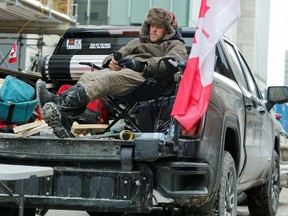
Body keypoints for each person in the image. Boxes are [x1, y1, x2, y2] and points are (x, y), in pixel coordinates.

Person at [37, 7, 188, 138]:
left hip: (147, 79)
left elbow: (174, 61)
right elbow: (117, 53)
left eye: (159, 27)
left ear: (168, 30)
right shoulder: (139, 42)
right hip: (125, 73)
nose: (153, 30)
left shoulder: (175, 44)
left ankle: (59, 104)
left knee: (108, 79)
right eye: (152, 25)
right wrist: (110, 61)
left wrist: (142, 65)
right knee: (88, 76)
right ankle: (65, 117)